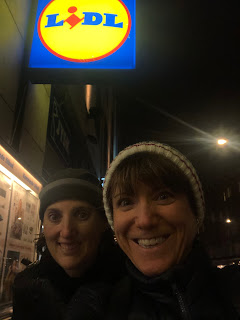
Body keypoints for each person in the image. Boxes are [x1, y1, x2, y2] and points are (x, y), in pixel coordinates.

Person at [103, 141, 240, 319]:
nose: (145, 221)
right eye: (126, 202)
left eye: (163, 196)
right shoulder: (99, 306)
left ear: (195, 213)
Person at [12, 168, 124, 320]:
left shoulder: (133, 290)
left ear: (104, 222)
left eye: (82, 215)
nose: (66, 232)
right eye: (54, 216)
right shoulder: (26, 289)